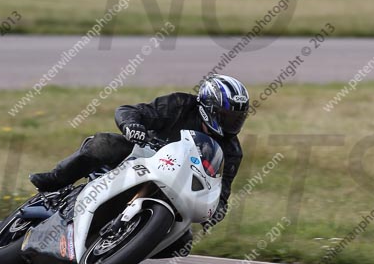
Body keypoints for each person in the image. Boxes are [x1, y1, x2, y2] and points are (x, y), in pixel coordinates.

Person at [29, 75, 250, 248]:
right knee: (102, 144)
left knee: (181, 243)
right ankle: (55, 180)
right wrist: (131, 126)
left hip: (176, 187)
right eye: (226, 116)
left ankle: (125, 246)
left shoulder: (231, 151)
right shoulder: (180, 104)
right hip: (143, 153)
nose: (232, 123)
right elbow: (130, 111)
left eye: (237, 118)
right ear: (207, 108)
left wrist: (217, 209)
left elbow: (222, 189)